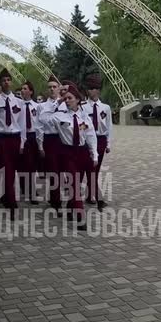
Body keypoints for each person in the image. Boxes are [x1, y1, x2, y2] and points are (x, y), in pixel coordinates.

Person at [47, 84, 97, 230]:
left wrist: (94, 154)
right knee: (74, 184)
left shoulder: (85, 117)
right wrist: (57, 102)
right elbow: (43, 119)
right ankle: (81, 217)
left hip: (82, 153)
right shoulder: (59, 116)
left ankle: (70, 209)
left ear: (77, 100)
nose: (67, 100)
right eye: (65, 98)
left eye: (70, 98)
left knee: (76, 183)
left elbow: (91, 136)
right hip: (67, 153)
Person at [0, 69, 26, 217]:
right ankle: (12, 203)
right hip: (1, 139)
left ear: (11, 82)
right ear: (0, 84)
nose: (6, 82)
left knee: (12, 170)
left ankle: (5, 197)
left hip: (15, 138)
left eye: (8, 80)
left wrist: (22, 143)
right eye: (3, 80)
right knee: (6, 170)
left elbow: (22, 124)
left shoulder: (19, 102)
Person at [82, 76, 112, 210]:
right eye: (88, 88)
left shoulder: (105, 108)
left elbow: (109, 126)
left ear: (98, 90)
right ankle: (98, 198)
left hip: (100, 139)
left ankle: (90, 195)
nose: (90, 91)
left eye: (93, 88)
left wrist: (108, 144)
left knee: (96, 169)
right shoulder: (83, 107)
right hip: (88, 140)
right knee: (90, 168)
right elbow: (81, 124)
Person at [37, 77, 64, 213]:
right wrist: (40, 145)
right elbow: (39, 126)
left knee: (64, 171)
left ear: (59, 88)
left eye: (54, 86)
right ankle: (56, 201)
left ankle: (60, 197)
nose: (52, 89)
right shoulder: (42, 106)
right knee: (53, 172)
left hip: (63, 140)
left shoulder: (65, 104)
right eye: (50, 87)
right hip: (50, 139)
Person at [19, 80, 39, 203]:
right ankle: (27, 189)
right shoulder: (17, 106)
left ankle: (31, 189)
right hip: (21, 137)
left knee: (32, 165)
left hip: (33, 136)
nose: (22, 90)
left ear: (31, 91)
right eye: (22, 88)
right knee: (24, 165)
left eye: (25, 88)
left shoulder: (37, 106)